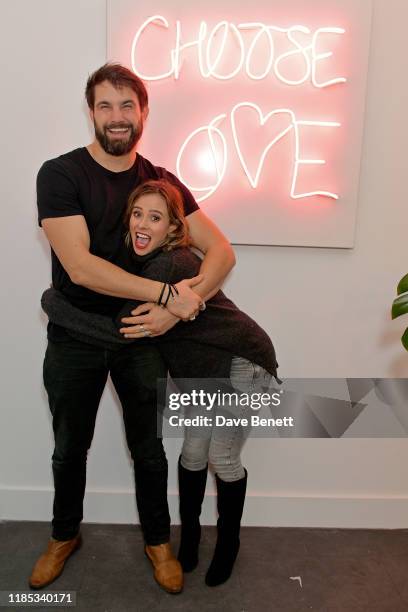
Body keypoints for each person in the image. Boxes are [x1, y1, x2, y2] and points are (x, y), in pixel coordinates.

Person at [30, 63, 235, 594]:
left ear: (143, 113)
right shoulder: (60, 174)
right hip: (74, 336)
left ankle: (157, 542)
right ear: (91, 112)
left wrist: (183, 303)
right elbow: (81, 267)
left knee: (149, 448)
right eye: (105, 105)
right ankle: (62, 535)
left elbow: (221, 252)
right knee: (68, 448)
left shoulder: (161, 184)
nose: (117, 117)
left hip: (140, 337)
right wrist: (167, 295)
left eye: (127, 106)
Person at [41, 179, 279, 588]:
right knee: (191, 455)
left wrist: (52, 303)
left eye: (156, 217)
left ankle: (228, 544)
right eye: (137, 214)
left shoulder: (171, 265)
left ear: (173, 229)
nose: (142, 224)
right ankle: (188, 542)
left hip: (244, 363)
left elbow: (121, 329)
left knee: (221, 458)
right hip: (205, 372)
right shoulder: (147, 265)